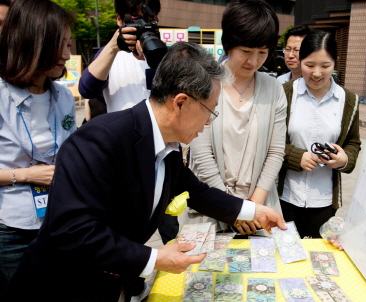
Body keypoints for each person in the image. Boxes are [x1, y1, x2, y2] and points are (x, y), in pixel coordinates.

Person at [5, 42, 287, 302]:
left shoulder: (168, 145)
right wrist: (154, 258)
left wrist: (252, 212)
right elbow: (73, 230)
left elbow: (195, 192)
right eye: (210, 112)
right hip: (61, 286)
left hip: (109, 281)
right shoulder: (102, 139)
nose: (209, 123)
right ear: (180, 102)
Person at [178, 0, 287, 237]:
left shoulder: (274, 88)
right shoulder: (205, 83)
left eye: (262, 53)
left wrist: (252, 208)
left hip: (259, 210)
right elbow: (201, 152)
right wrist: (234, 210)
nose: (253, 61)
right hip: (210, 209)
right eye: (246, 52)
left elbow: (276, 151)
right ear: (228, 45)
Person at [0, 0, 75, 295]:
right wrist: (26, 176)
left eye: (69, 44)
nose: (68, 55)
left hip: (59, 222)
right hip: (12, 229)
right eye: (61, 46)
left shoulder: (64, 97)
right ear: (34, 42)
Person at [279, 30, 361, 238]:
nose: (316, 73)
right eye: (309, 65)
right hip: (286, 194)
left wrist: (344, 159)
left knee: (317, 262)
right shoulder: (284, 93)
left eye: (325, 66)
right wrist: (296, 157)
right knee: (285, 258)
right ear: (300, 61)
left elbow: (353, 142)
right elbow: (270, 140)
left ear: (336, 62)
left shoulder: (348, 100)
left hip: (324, 199)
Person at [78, 0, 161, 113]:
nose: (143, 25)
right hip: (124, 129)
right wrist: (113, 46)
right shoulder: (110, 54)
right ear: (119, 19)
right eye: (136, 19)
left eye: (150, 20)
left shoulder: (166, 53)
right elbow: (87, 90)